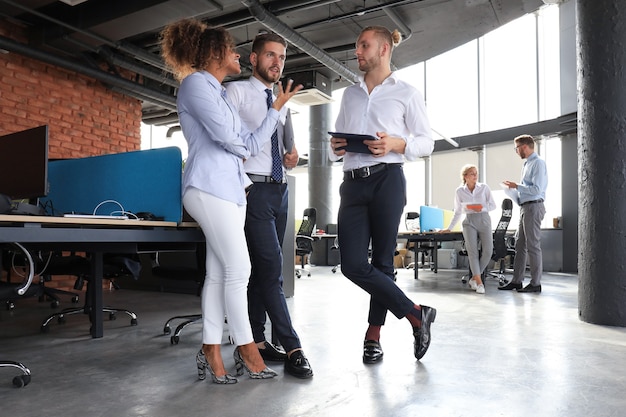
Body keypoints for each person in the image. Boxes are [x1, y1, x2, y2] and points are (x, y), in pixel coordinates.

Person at [159, 18, 302, 384]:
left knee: (220, 274)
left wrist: (274, 112)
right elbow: (232, 140)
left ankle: (211, 347)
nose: (237, 54)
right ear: (213, 54)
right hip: (208, 186)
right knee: (241, 270)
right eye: (231, 49)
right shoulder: (195, 85)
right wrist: (254, 132)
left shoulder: (220, 92)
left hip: (233, 189)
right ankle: (247, 347)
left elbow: (251, 145)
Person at [329, 26, 436, 364]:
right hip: (353, 183)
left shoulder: (406, 93)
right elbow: (335, 149)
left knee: (383, 262)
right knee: (352, 264)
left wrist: (395, 143)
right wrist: (334, 147)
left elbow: (426, 141)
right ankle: (416, 314)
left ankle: (372, 336)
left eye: (364, 45)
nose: (357, 51)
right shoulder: (350, 94)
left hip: (388, 180)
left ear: (384, 49)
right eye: (357, 45)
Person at [225, 33, 313, 379]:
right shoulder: (236, 93)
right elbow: (230, 144)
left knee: (260, 273)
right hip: (253, 190)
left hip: (280, 190)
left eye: (282, 58)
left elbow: (287, 151)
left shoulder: (282, 101)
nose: (277, 63)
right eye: (270, 56)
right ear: (253, 58)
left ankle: (257, 341)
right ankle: (293, 346)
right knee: (273, 270)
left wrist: (291, 157)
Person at [499, 134, 548, 293]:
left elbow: (536, 189)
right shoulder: (527, 164)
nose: (516, 152)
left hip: (533, 207)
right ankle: (517, 281)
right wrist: (513, 190)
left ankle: (535, 283)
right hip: (525, 207)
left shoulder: (538, 164)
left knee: (533, 246)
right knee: (520, 245)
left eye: (517, 148)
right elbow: (527, 189)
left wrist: (516, 186)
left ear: (524, 147)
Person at [442, 164, 496, 294]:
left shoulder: (484, 188)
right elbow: (458, 211)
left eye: (476, 173)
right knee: (473, 253)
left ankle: (473, 277)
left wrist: (480, 208)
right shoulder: (459, 191)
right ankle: (479, 282)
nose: (475, 176)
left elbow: (493, 205)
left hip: (484, 219)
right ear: (465, 176)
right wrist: (449, 228)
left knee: (488, 251)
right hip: (469, 221)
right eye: (472, 173)